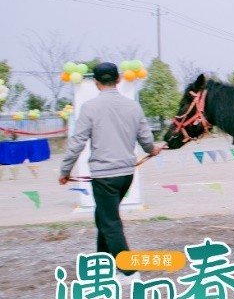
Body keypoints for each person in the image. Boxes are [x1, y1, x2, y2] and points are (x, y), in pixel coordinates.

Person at [58, 62, 161, 286]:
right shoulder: (133, 107)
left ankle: (129, 271)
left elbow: (77, 143)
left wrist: (65, 171)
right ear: (119, 80)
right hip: (126, 175)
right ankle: (102, 264)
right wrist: (153, 150)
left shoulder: (90, 107)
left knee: (110, 221)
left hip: (104, 176)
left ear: (96, 83)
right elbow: (145, 140)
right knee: (104, 217)